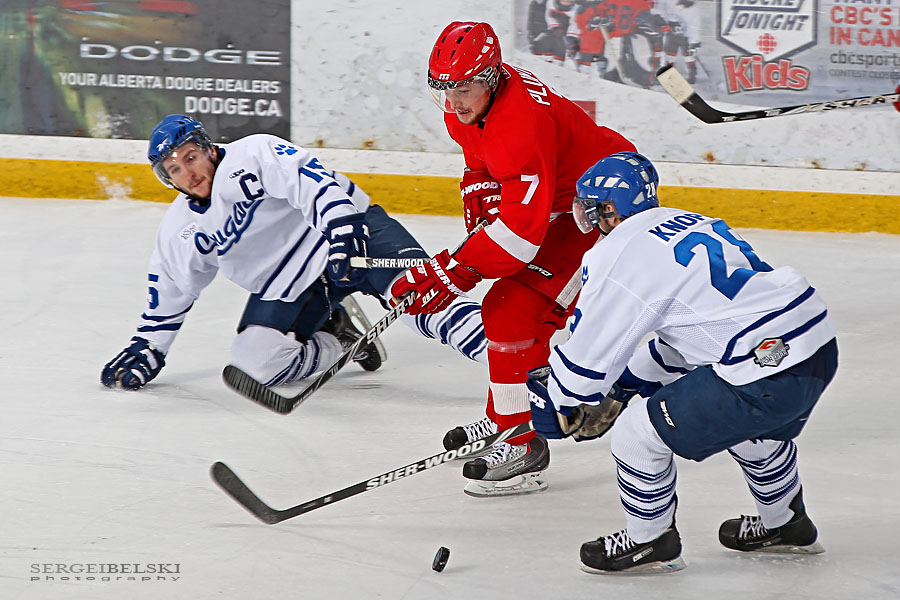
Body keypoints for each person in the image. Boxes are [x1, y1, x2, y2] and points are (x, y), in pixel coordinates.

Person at [526, 152, 838, 573]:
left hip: (764, 366)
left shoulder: (618, 253)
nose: (591, 224)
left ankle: (649, 540)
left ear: (610, 210)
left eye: (590, 211)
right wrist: (626, 384)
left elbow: (584, 364)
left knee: (637, 434)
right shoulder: (687, 220)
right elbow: (700, 333)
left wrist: (559, 401)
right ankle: (786, 524)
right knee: (752, 428)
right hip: (814, 345)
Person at [390, 22, 636, 497]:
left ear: (492, 77)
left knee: (512, 311)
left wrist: (450, 270)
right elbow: (480, 154)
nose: (454, 101)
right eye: (444, 88)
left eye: (464, 87)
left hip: (604, 210)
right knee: (514, 318)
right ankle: (511, 413)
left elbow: (520, 241)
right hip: (558, 203)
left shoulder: (518, 122)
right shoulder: (472, 102)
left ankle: (523, 442)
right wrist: (479, 185)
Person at [101, 114, 487, 392]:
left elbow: (312, 182)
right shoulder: (180, 230)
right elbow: (172, 289)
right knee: (256, 365)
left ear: (207, 150)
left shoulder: (252, 153)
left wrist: (341, 227)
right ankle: (342, 339)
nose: (188, 173)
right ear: (167, 179)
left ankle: (523, 365)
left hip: (354, 237)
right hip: (292, 282)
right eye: (174, 169)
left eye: (190, 158)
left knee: (422, 302)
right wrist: (149, 346)